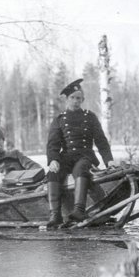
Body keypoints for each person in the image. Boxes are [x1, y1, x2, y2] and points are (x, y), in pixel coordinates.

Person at [46, 78, 114, 227]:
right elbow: (53, 144)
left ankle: (79, 210)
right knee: (52, 173)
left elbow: (101, 140)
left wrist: (109, 160)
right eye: (73, 98)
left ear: (82, 100)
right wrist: (53, 160)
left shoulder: (90, 117)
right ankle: (55, 215)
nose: (76, 101)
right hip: (67, 156)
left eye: (79, 98)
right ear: (67, 99)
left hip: (85, 155)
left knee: (80, 170)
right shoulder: (59, 119)